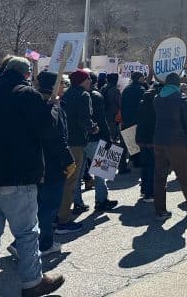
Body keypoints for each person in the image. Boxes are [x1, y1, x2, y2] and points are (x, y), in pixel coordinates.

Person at [0, 57, 64, 297]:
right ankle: (32, 282)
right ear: (26, 74)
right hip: (19, 176)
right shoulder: (27, 95)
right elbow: (47, 130)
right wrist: (52, 107)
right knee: (27, 233)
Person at [9, 71, 76, 258]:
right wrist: (68, 160)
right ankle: (43, 243)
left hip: (32, 164)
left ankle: (22, 242)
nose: (64, 86)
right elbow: (58, 138)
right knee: (48, 208)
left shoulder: (30, 104)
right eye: (62, 83)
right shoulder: (53, 108)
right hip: (51, 166)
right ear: (57, 85)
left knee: (34, 208)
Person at [153, 72, 187, 220]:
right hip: (177, 142)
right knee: (184, 175)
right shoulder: (181, 98)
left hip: (159, 140)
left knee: (160, 176)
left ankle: (160, 210)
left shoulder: (157, 98)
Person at [76, 72, 117, 212]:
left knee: (78, 175)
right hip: (95, 137)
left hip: (77, 140)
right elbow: (101, 119)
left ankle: (77, 202)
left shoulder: (69, 94)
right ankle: (101, 200)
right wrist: (108, 137)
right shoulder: (95, 96)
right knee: (101, 172)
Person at [57, 69, 93, 232]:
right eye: (88, 79)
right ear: (82, 81)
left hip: (63, 141)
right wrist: (93, 128)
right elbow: (85, 119)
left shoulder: (65, 94)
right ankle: (63, 219)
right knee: (71, 181)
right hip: (76, 142)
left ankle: (56, 215)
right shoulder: (83, 96)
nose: (90, 82)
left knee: (62, 179)